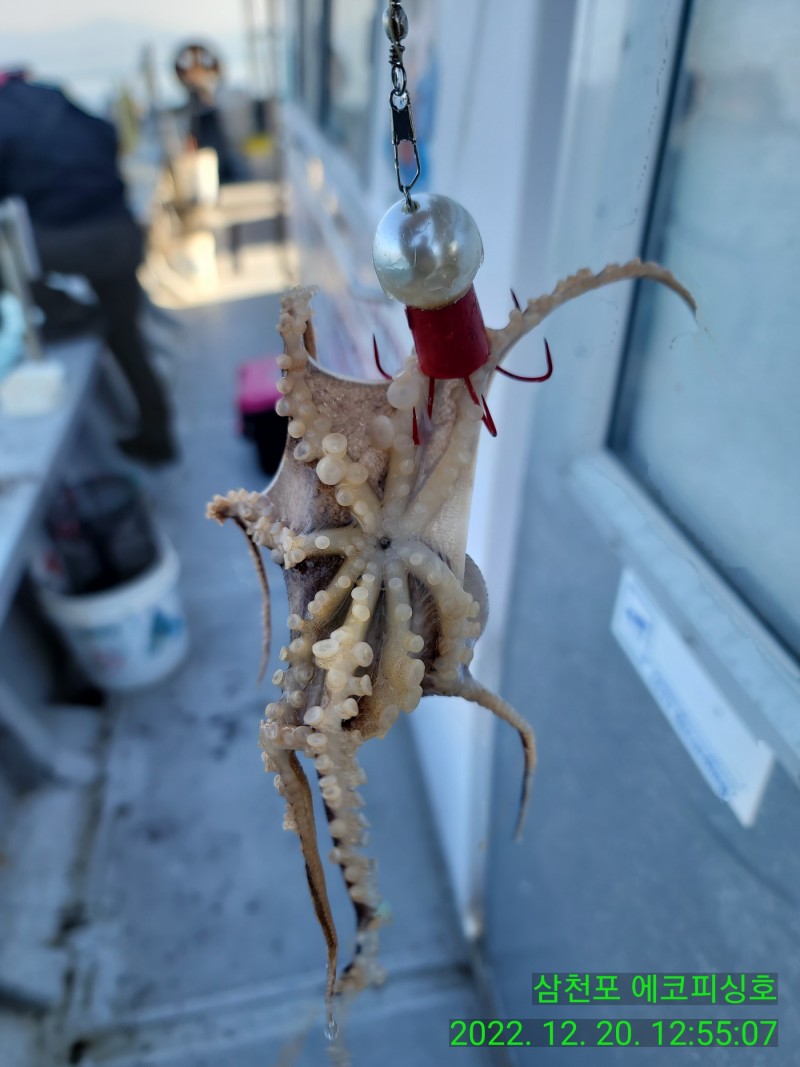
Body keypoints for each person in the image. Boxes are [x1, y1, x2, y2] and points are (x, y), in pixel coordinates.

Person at [0, 69, 177, 464]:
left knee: (6, 257)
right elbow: (109, 133)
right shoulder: (57, 98)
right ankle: (158, 438)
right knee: (128, 341)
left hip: (69, 242)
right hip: (121, 232)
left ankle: (74, 314)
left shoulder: (4, 117)